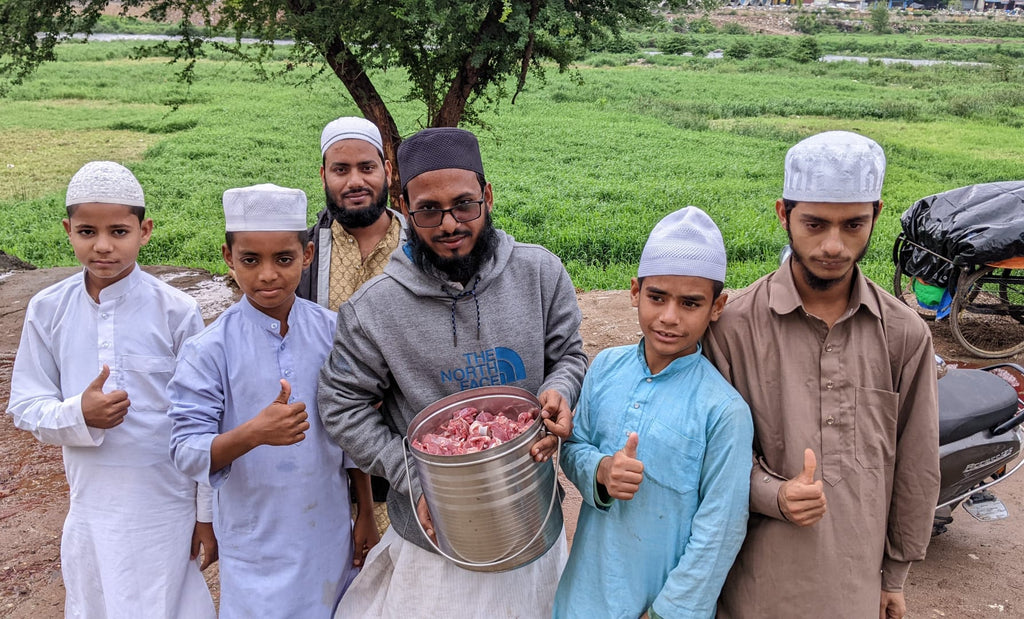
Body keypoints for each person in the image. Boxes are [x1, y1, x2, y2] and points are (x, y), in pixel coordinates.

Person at [318, 127, 588, 617]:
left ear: (488, 196)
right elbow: (341, 406)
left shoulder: (540, 274)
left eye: (464, 205)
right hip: (434, 537)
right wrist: (413, 473)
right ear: (404, 206)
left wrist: (559, 389)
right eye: (428, 210)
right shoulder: (374, 309)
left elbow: (568, 354)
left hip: (531, 514)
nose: (449, 224)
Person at [704, 131, 940, 619]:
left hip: (856, 585)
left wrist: (895, 576)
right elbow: (707, 457)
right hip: (751, 589)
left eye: (853, 224)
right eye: (814, 224)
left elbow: (916, 463)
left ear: (876, 215)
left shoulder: (904, 334)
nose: (833, 245)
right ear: (783, 214)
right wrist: (774, 494)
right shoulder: (732, 330)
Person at [6, 161, 216, 618]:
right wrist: (78, 414)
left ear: (145, 231)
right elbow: (25, 405)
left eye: (118, 231)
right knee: (96, 601)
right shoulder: (48, 309)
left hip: (166, 504)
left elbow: (201, 419)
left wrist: (206, 513)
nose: (102, 246)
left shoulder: (176, 310)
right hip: (91, 505)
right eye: (87, 231)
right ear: (68, 231)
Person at [167, 184, 378, 618]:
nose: (268, 275)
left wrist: (366, 512)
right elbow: (185, 450)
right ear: (228, 258)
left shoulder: (333, 332)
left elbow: (351, 431)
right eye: (251, 260)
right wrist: (253, 433)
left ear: (307, 255)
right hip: (255, 542)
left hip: (328, 531)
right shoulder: (209, 349)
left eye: (283, 259)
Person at [554, 207, 753, 619]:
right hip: (583, 596)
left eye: (690, 303)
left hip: (658, 605)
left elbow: (720, 529)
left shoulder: (724, 410)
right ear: (634, 292)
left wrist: (669, 611)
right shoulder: (605, 367)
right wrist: (601, 471)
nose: (669, 317)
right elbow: (572, 448)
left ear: (717, 306)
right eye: (657, 297)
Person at [297, 115, 405, 309]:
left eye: (367, 168)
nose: (355, 182)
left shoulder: (421, 244)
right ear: (324, 177)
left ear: (388, 173)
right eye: (341, 170)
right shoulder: (302, 253)